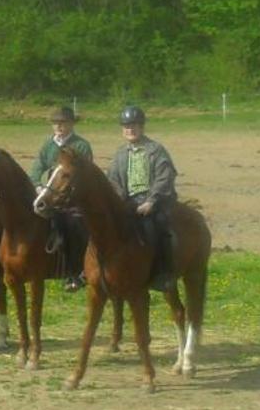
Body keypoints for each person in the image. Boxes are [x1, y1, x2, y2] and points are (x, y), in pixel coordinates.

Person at [107, 105, 179, 291]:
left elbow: (165, 177)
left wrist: (151, 201)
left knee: (158, 226)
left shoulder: (155, 150)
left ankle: (164, 273)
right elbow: (113, 179)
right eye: (126, 127)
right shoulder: (120, 153)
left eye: (134, 126)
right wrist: (120, 200)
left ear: (142, 127)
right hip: (128, 202)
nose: (130, 130)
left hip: (154, 201)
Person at [31, 105, 93, 290]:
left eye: (63, 122)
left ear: (72, 124)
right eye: (55, 123)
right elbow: (35, 170)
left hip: (72, 199)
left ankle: (75, 271)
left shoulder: (81, 146)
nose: (58, 126)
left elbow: (86, 175)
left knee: (73, 225)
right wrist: (38, 185)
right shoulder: (48, 145)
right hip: (50, 195)